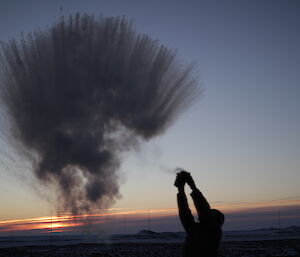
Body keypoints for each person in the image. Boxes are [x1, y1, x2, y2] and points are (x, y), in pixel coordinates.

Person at [174, 171, 224, 257]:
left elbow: (204, 210)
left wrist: (193, 187)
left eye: (211, 214)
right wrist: (181, 190)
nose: (208, 214)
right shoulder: (195, 230)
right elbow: (185, 214)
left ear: (216, 220)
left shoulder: (214, 231)